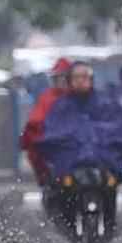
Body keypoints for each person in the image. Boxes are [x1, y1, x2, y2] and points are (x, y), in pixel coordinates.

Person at [36, 61, 122, 235]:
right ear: (69, 80)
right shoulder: (61, 106)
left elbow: (121, 129)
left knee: (110, 192)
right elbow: (52, 133)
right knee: (65, 197)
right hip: (72, 168)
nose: (81, 81)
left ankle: (109, 230)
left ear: (91, 79)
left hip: (103, 167)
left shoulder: (107, 104)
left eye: (85, 77)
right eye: (76, 77)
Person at [20, 57, 72, 186]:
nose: (62, 81)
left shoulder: (80, 97)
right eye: (59, 77)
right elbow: (35, 121)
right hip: (54, 145)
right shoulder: (47, 97)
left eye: (64, 77)